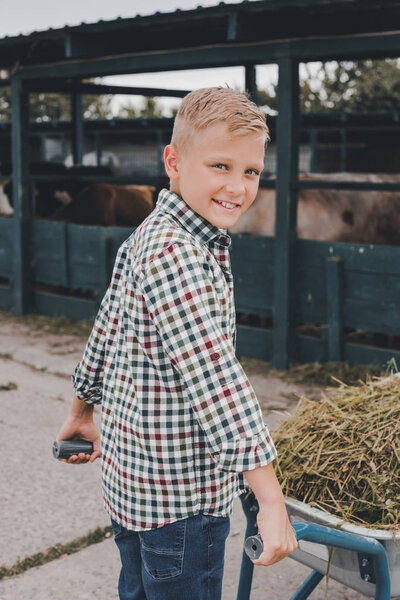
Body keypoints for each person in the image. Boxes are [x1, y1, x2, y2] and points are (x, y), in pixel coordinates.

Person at [56, 86, 297, 600]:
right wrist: (271, 501)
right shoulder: (182, 256)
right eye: (220, 166)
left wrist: (80, 412)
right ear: (174, 162)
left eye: (250, 172)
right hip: (182, 508)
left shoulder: (149, 233)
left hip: (133, 494)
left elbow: (105, 329)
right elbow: (218, 382)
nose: (237, 187)